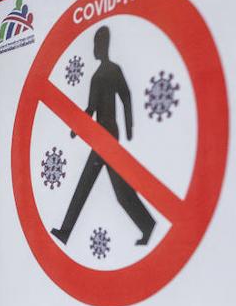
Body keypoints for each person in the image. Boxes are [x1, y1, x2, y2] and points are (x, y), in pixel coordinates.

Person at [50, 26, 156, 246]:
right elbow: (91, 107)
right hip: (102, 137)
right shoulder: (98, 75)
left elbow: (125, 96)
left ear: (103, 45)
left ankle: (67, 232)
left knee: (89, 186)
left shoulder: (109, 72)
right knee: (116, 189)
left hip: (106, 139)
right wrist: (78, 127)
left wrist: (130, 127)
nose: (94, 49)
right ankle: (147, 225)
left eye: (96, 45)